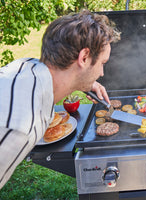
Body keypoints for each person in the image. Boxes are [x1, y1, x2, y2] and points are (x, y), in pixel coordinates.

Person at [0, 10, 120, 189]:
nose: (101, 73)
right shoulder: (21, 127)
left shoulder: (24, 66)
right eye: (102, 63)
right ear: (84, 57)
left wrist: (85, 80)